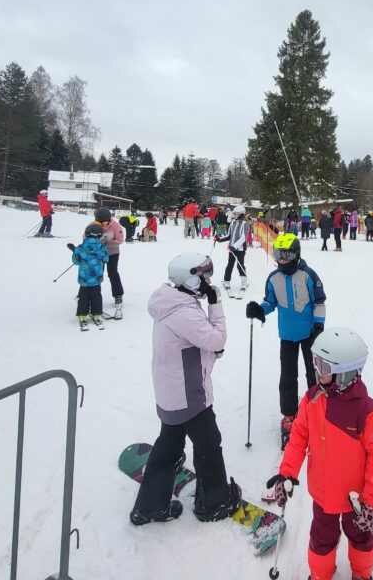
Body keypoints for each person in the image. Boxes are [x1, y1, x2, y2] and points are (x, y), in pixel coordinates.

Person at [265, 327, 373, 580]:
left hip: (357, 499)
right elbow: (298, 438)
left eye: (323, 365)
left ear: (344, 373)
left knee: (360, 536)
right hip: (324, 494)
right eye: (315, 362)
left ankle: (362, 573)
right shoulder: (312, 399)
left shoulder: (366, 411)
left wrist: (372, 502)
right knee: (322, 538)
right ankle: (320, 575)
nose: (316, 369)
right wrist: (286, 473)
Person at [130, 252, 242, 525]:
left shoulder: (171, 301)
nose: (208, 281)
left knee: (169, 445)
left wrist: (210, 353)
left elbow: (193, 348)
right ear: (190, 280)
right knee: (208, 445)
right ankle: (214, 502)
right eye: (204, 276)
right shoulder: (184, 312)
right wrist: (215, 305)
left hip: (172, 391)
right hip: (189, 395)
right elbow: (216, 340)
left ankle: (150, 506)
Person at [245, 233, 327, 446]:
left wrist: (318, 324)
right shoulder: (274, 278)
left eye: (286, 254)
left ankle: (316, 409)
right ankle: (289, 414)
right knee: (288, 376)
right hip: (287, 335)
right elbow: (270, 302)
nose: (282, 259)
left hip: (310, 334)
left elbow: (319, 302)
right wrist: (259, 310)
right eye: (278, 254)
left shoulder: (308, 275)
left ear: (296, 254)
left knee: (314, 373)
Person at [67, 224, 109, 331]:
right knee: (96, 296)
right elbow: (106, 259)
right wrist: (104, 248)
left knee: (83, 297)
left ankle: (82, 315)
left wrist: (74, 251)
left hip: (84, 279)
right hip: (96, 279)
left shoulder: (81, 247)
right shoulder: (101, 247)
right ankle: (96, 313)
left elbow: (76, 261)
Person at [91, 207, 125, 318]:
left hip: (112, 253)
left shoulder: (115, 226)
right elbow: (85, 237)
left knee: (113, 273)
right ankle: (91, 294)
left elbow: (120, 240)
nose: (103, 225)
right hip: (98, 254)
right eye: (100, 223)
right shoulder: (92, 225)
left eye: (105, 223)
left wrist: (108, 242)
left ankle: (118, 295)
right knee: (96, 273)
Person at [220, 206, 250, 293]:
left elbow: (243, 238)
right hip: (232, 249)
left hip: (240, 249)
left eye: (235, 214)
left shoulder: (245, 224)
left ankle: (244, 282)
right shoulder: (233, 223)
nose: (233, 215)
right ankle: (227, 281)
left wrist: (234, 246)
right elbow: (229, 235)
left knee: (240, 265)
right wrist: (219, 239)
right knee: (230, 264)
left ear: (240, 214)